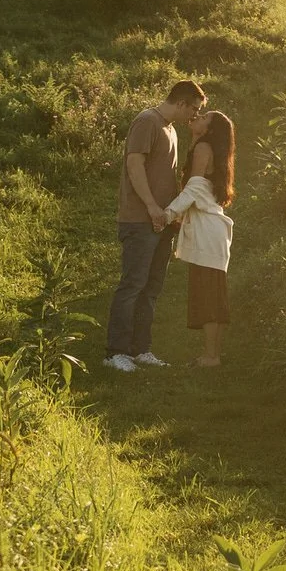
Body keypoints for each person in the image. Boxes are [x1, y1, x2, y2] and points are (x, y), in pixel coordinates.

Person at [105, 79, 204, 372]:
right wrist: (150, 206)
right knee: (132, 284)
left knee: (151, 288)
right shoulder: (147, 121)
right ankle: (115, 353)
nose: (195, 116)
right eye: (194, 109)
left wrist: (170, 214)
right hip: (139, 218)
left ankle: (140, 349)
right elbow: (134, 165)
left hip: (162, 222)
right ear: (182, 103)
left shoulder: (171, 129)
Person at [162, 109, 236, 367]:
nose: (197, 117)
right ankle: (211, 355)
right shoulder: (203, 147)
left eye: (204, 117)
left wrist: (168, 213)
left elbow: (194, 189)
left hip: (208, 231)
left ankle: (211, 356)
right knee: (210, 291)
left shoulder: (203, 147)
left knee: (210, 292)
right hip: (209, 229)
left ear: (209, 129)